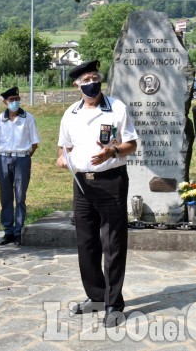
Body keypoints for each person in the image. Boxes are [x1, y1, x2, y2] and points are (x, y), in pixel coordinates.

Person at [56, 60, 138, 327]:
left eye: (94, 77)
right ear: (76, 85)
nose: (91, 82)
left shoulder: (117, 108)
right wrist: (61, 159)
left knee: (112, 242)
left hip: (110, 180)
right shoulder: (70, 113)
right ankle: (97, 296)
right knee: (86, 242)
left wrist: (112, 152)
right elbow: (63, 147)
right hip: (81, 183)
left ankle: (114, 304)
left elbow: (132, 143)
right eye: (85, 79)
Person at [0, 87, 40, 246]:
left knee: (20, 197)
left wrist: (24, 158)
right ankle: (8, 231)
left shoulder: (28, 118)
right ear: (5, 102)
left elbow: (34, 144)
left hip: (22, 159)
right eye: (11, 100)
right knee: (5, 197)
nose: (14, 102)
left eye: (17, 99)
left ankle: (18, 231)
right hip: (3, 158)